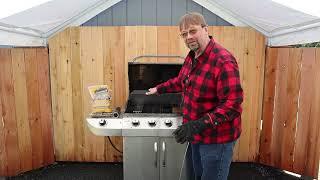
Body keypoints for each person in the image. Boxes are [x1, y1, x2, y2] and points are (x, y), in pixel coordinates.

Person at [146, 12, 243, 180]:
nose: (188, 37)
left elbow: (232, 105)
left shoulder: (223, 61)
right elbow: (181, 80)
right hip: (197, 135)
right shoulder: (192, 56)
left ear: (205, 29)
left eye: (193, 31)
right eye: (184, 34)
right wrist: (159, 89)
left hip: (216, 140)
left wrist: (198, 125)